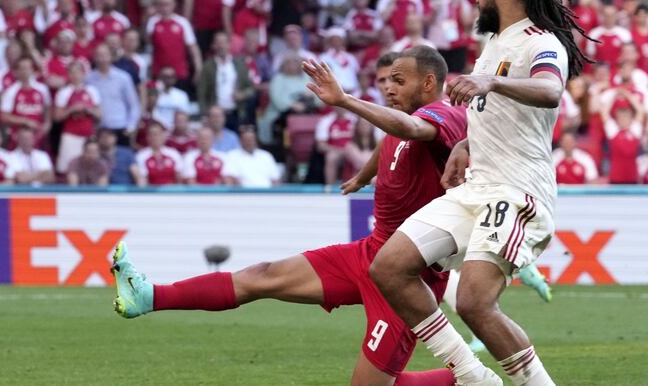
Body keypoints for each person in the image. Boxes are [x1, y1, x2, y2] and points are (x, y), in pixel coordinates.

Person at [110, 48, 463, 386]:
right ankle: (148, 296)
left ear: (429, 83)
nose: (388, 87)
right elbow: (394, 137)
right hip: (370, 253)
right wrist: (364, 175)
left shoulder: (444, 116)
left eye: (398, 81)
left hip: (404, 279)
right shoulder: (403, 122)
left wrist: (344, 101)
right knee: (262, 275)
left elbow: (410, 130)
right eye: (386, 80)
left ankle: (467, 379)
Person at [360, 0, 593, 386]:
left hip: (516, 191)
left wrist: (493, 80)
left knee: (473, 302)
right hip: (475, 188)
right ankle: (473, 376)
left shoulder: (541, 41)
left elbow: (549, 91)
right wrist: (466, 143)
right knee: (389, 266)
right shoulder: (493, 44)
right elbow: (498, 114)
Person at [86, 44, 139, 146]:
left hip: (120, 128)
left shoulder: (123, 78)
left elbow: (133, 104)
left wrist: (131, 127)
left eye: (105, 55)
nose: (102, 59)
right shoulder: (88, 79)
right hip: (98, 129)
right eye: (99, 55)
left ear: (111, 57)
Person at [196, 32, 255, 124]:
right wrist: (204, 114)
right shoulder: (208, 66)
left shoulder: (240, 64)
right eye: (218, 43)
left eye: (224, 42)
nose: (221, 46)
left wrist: (242, 94)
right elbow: (202, 93)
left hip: (235, 113)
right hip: (215, 116)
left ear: (229, 44)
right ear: (214, 46)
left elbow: (251, 88)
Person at [601, 89, 643, 184]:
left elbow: (640, 111)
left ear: (630, 119)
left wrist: (627, 94)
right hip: (616, 178)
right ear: (617, 119)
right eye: (620, 117)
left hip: (632, 178)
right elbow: (604, 112)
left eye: (626, 117)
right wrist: (614, 95)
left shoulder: (635, 130)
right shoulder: (613, 131)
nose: (623, 120)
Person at [315, 107, 356, 186]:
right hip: (334, 150)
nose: (340, 108)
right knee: (331, 157)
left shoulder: (354, 119)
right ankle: (330, 188)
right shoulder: (325, 121)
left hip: (352, 149)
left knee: (360, 156)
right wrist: (338, 150)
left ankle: (356, 186)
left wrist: (350, 150)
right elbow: (320, 146)